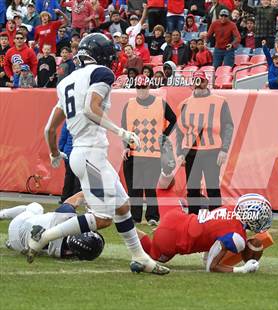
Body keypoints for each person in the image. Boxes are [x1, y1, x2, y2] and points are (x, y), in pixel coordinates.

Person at [27, 33, 169, 275]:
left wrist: (54, 154)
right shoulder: (101, 73)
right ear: (102, 54)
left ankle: (140, 257)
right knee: (102, 218)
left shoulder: (66, 81)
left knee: (122, 206)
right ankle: (44, 236)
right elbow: (90, 109)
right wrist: (121, 132)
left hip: (83, 154)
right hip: (91, 154)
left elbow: (50, 128)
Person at [138, 193, 272, 273]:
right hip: (170, 238)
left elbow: (213, 233)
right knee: (156, 257)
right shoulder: (238, 238)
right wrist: (242, 269)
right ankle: (127, 230)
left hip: (176, 218)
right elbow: (211, 267)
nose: (263, 220)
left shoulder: (230, 209)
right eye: (262, 216)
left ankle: (129, 228)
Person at [121, 74, 177, 225]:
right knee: (134, 188)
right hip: (133, 151)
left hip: (152, 152)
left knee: (150, 187)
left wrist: (164, 135)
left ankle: (152, 216)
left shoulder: (160, 103)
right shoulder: (130, 104)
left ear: (149, 87)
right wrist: (125, 147)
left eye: (144, 87)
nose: (141, 90)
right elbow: (125, 128)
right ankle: (135, 217)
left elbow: (174, 120)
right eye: (138, 87)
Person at [176, 71, 234, 214]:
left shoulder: (220, 101)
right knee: (192, 188)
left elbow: (228, 126)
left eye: (200, 80)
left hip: (212, 150)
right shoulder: (185, 104)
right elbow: (180, 130)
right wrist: (180, 152)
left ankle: (216, 219)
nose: (198, 84)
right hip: (191, 151)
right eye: (195, 80)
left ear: (206, 82)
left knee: (213, 187)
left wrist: (224, 149)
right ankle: (192, 221)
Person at [0, 192, 104, 261]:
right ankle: (10, 244)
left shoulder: (63, 217)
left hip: (18, 225)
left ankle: (2, 214)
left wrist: (92, 197)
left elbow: (77, 198)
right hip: (19, 246)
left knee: (36, 207)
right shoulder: (64, 253)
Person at [58, 122, 81, 203]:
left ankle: (65, 197)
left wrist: (60, 150)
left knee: (69, 175)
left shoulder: (68, 120)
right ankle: (75, 199)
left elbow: (63, 137)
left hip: (68, 152)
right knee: (78, 176)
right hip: (80, 152)